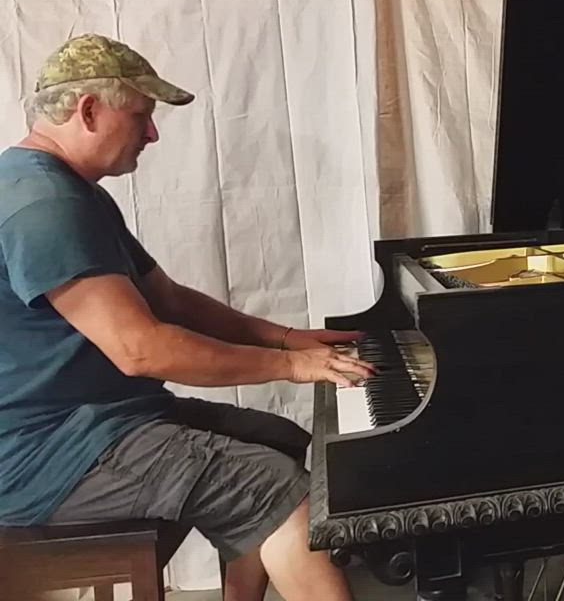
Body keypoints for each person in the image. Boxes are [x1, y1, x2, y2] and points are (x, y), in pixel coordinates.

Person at [0, 34, 377, 601]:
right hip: (49, 457)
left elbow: (170, 300)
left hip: (97, 424)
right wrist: (294, 367)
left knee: (279, 440)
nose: (152, 134)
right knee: (278, 489)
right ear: (89, 110)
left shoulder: (69, 192)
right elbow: (142, 350)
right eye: (141, 115)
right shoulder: (42, 204)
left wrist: (288, 339)